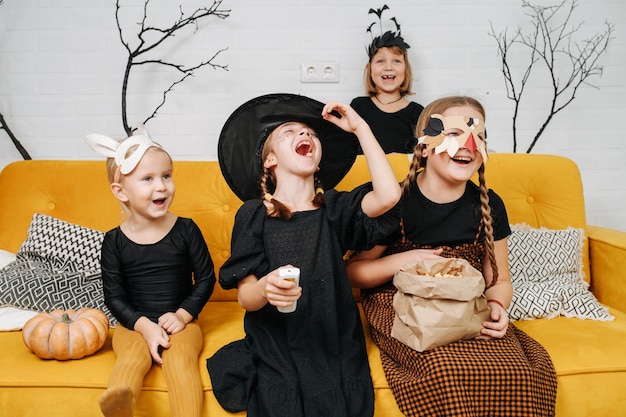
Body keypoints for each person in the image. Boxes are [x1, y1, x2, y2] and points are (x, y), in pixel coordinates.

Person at [346, 96, 558, 416]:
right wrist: (404, 260)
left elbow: (499, 281)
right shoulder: (395, 200)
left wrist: (498, 306)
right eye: (455, 133)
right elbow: (354, 272)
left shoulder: (489, 205)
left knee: (521, 373)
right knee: (445, 370)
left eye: (479, 136)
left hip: (466, 305)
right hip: (401, 303)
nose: (469, 144)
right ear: (427, 144)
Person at [206, 93, 402, 417]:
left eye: (310, 133)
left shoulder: (335, 209)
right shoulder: (255, 214)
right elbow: (246, 298)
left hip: (331, 337)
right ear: (270, 160)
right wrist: (266, 287)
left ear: (318, 159)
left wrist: (361, 128)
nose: (305, 135)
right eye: (289, 133)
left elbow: (389, 195)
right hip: (277, 340)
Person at [85, 129, 216, 417]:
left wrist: (182, 315)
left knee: (180, 362)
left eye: (166, 176)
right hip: (134, 323)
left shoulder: (186, 229)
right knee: (131, 359)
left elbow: (206, 279)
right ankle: (121, 403)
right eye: (148, 179)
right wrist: (144, 325)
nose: (162, 186)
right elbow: (114, 297)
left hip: (181, 322)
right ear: (121, 191)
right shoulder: (114, 241)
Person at [350, 5, 424, 154]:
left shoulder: (417, 112)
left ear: (405, 69)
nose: (388, 67)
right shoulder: (358, 107)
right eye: (380, 61)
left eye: (396, 61)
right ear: (370, 70)